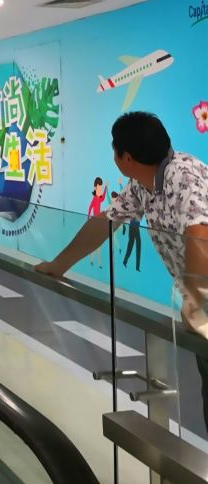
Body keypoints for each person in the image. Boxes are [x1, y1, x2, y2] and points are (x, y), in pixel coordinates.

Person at [36, 112, 208, 428]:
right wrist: (59, 265)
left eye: (114, 149)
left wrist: (195, 305)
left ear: (126, 157)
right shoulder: (144, 184)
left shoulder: (182, 176)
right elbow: (106, 222)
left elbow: (200, 234)